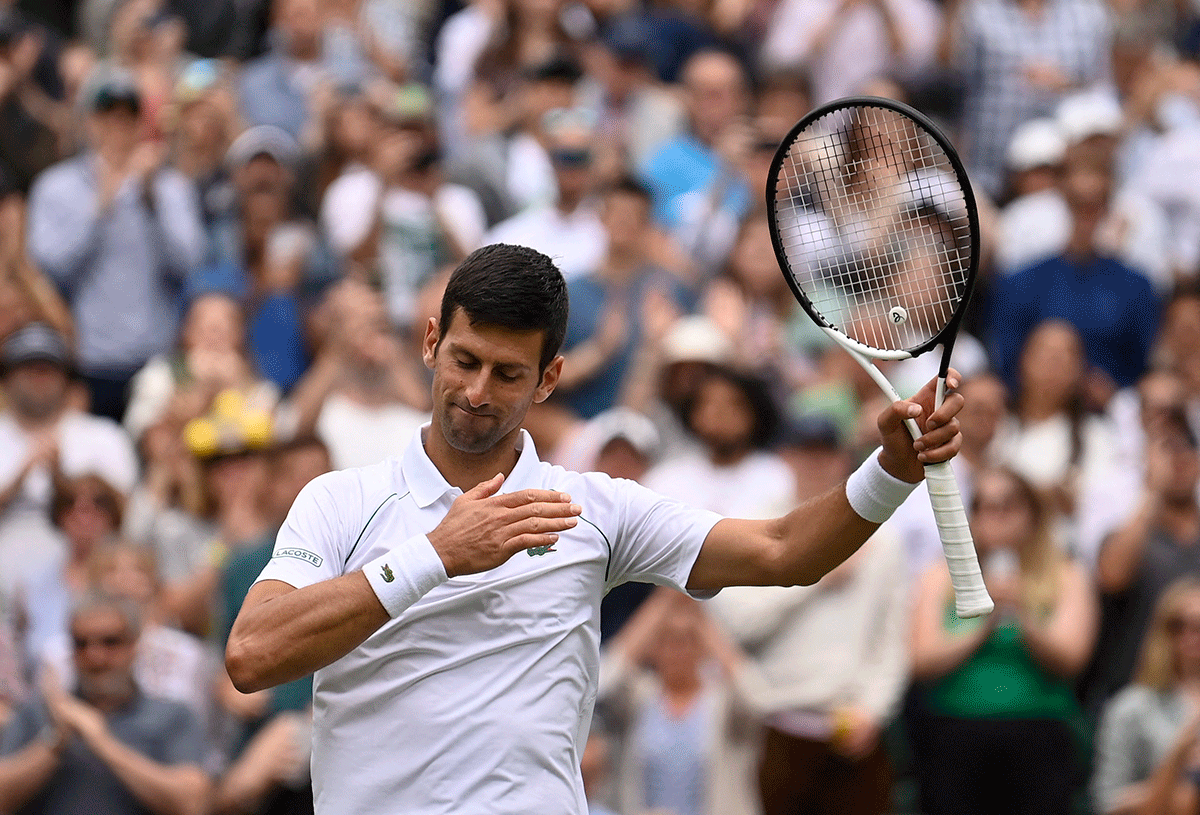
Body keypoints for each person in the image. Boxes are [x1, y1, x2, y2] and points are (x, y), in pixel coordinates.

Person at [224, 242, 966, 814]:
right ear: (430, 343)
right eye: (465, 360)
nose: (478, 392)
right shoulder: (339, 500)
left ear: (549, 380)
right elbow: (253, 652)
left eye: (508, 374)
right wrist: (437, 554)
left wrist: (892, 468)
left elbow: (784, 552)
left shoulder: (597, 508)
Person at [908, 465, 1098, 815]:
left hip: (1038, 733)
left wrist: (1023, 614)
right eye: (986, 507)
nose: (997, 518)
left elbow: (1072, 659)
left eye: (1009, 505)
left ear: (1032, 514)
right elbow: (922, 661)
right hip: (955, 733)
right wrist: (985, 620)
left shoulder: (1066, 575)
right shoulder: (938, 576)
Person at [26, 63, 205, 422]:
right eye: (107, 116)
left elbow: (190, 263)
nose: (117, 128)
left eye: (127, 117)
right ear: (89, 122)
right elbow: (48, 267)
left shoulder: (170, 187)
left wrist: (152, 201)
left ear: (141, 124)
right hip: (88, 359)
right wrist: (99, 209)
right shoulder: (56, 187)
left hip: (156, 359)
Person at [0, 592, 210, 815]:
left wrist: (101, 741)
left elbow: (192, 803)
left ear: (136, 645)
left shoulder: (172, 715)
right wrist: (56, 739)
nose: (95, 656)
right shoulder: (40, 713)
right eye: (81, 643)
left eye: (111, 642)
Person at [1093, 576, 1200, 815]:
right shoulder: (1133, 707)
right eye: (1179, 625)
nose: (1191, 636)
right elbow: (1106, 803)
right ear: (1163, 631)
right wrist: (1175, 763)